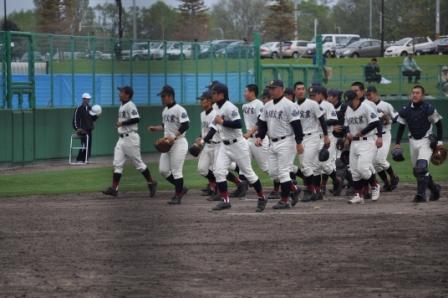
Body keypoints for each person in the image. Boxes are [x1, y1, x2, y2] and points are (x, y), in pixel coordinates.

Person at [203, 82, 267, 212]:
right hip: (224, 145)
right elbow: (215, 126)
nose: (212, 95)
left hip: (238, 145)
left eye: (214, 93)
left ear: (221, 94)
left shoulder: (230, 107)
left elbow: (238, 124)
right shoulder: (216, 106)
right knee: (219, 171)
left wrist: (223, 122)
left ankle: (261, 197)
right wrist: (204, 140)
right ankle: (225, 201)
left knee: (249, 174)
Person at [255, 79, 303, 209]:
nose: (271, 90)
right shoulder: (267, 105)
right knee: (273, 173)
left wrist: (299, 142)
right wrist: (260, 136)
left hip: (287, 141)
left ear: (281, 89)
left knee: (283, 173)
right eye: (270, 88)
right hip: (272, 142)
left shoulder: (289, 105)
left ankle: (284, 200)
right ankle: (294, 189)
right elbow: (262, 124)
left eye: (274, 88)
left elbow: (297, 126)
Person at [102, 86, 157, 197]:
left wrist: (122, 123)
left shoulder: (130, 105)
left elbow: (137, 118)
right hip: (121, 139)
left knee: (139, 164)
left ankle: (152, 182)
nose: (119, 93)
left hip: (130, 138)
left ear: (127, 95)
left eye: (121, 92)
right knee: (117, 164)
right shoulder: (122, 106)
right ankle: (114, 189)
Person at [394, 85, 443, 202]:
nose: (414, 95)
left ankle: (420, 195)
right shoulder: (406, 110)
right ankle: (435, 189)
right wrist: (397, 143)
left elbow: (439, 124)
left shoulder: (428, 108)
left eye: (417, 93)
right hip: (412, 141)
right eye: (413, 93)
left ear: (423, 95)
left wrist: (439, 142)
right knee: (417, 171)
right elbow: (401, 127)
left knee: (421, 168)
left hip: (426, 140)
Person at [148, 85, 190, 205]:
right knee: (163, 170)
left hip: (179, 143)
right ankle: (181, 188)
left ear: (170, 96)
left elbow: (185, 125)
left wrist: (174, 136)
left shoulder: (179, 109)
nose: (161, 98)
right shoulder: (165, 110)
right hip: (167, 143)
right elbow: (164, 125)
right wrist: (155, 128)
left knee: (176, 171)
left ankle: (177, 196)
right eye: (161, 96)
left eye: (163, 96)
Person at [343, 90, 383, 204]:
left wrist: (364, 132)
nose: (349, 103)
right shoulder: (348, 110)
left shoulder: (366, 107)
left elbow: (376, 122)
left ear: (356, 99)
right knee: (354, 172)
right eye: (347, 101)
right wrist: (346, 134)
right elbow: (346, 125)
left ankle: (375, 185)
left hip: (367, 141)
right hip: (354, 143)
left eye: (351, 101)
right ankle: (358, 195)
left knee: (363, 169)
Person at [295, 82, 330, 202]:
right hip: (300, 139)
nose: (300, 91)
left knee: (306, 165)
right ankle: (315, 191)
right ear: (295, 91)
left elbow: (322, 120)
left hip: (313, 137)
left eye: (302, 88)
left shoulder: (312, 104)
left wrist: (326, 136)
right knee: (306, 167)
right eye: (298, 89)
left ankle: (311, 191)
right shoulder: (293, 106)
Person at [366, 86, 400, 191]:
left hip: (384, 135)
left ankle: (393, 176)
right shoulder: (366, 105)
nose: (368, 96)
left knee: (380, 160)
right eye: (367, 95)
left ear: (376, 93)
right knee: (374, 163)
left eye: (370, 94)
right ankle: (387, 183)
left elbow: (397, 117)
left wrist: (388, 120)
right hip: (372, 136)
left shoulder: (386, 105)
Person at [312, 86, 343, 196]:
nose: (312, 96)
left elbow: (334, 119)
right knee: (315, 165)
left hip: (327, 137)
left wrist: (321, 122)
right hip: (314, 138)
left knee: (324, 163)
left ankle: (336, 180)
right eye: (311, 94)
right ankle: (318, 190)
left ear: (321, 94)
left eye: (314, 94)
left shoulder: (327, 105)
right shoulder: (310, 105)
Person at [196, 90, 221, 196]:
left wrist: (202, 141)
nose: (201, 102)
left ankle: (217, 190)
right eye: (200, 100)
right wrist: (200, 137)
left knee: (217, 170)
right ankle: (213, 185)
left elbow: (213, 130)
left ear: (209, 101)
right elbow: (205, 130)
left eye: (203, 100)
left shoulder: (215, 114)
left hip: (217, 145)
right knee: (202, 169)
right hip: (207, 145)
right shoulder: (202, 114)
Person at [72, 92, 97, 162]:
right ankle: (80, 159)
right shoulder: (79, 109)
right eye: (87, 99)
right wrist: (78, 129)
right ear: (83, 99)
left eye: (89, 99)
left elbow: (93, 118)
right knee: (84, 145)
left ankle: (86, 158)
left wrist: (97, 115)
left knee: (88, 145)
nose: (88, 100)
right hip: (82, 130)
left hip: (89, 130)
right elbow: (75, 120)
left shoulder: (90, 108)